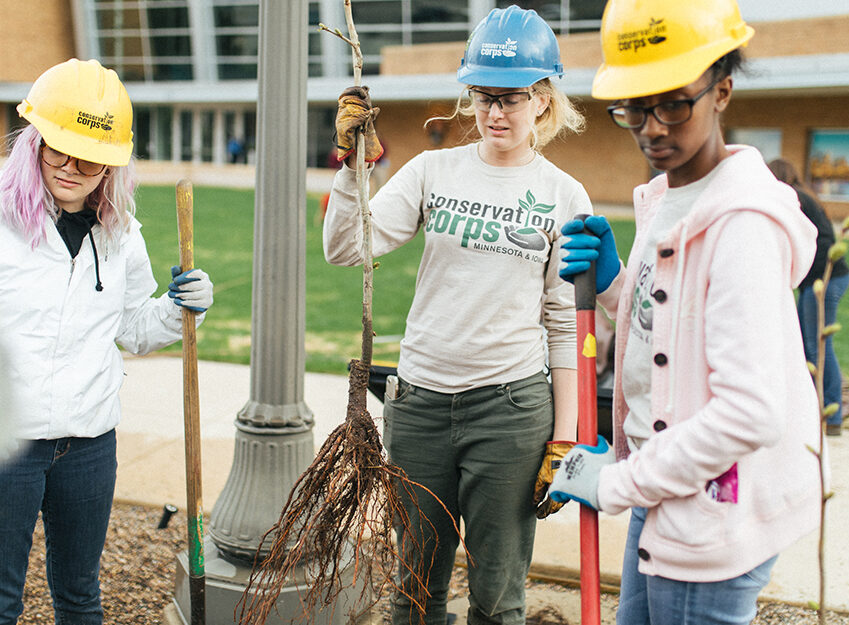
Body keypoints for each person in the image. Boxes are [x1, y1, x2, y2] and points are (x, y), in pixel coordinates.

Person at [547, 2, 822, 624]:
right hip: (664, 485)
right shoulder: (669, 196)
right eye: (634, 108)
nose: (652, 129)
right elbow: (671, 327)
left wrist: (615, 484)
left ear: (721, 90)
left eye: (673, 104)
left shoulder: (743, 224)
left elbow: (749, 411)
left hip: (710, 509)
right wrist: (617, 287)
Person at [323, 7, 590, 624]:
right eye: (485, 97)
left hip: (512, 413)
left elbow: (562, 321)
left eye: (514, 98)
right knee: (414, 593)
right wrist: (353, 164)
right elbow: (346, 247)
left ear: (544, 100)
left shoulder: (563, 194)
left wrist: (566, 433)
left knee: (498, 599)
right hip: (419, 408)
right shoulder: (431, 172)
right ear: (470, 97)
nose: (497, 113)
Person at [0, 58, 214, 625]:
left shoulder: (122, 237)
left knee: (81, 597)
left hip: (89, 446)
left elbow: (134, 329)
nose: (71, 167)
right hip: (0, 448)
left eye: (90, 157)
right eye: (58, 148)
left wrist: (179, 308)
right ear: (34, 143)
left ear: (111, 165)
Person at [768, 158, 849, 436]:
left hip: (826, 280)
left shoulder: (794, 198)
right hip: (815, 282)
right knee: (808, 346)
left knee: (818, 347)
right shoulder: (801, 196)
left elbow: (818, 244)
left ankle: (833, 415)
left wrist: (793, 274)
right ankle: (814, 409)